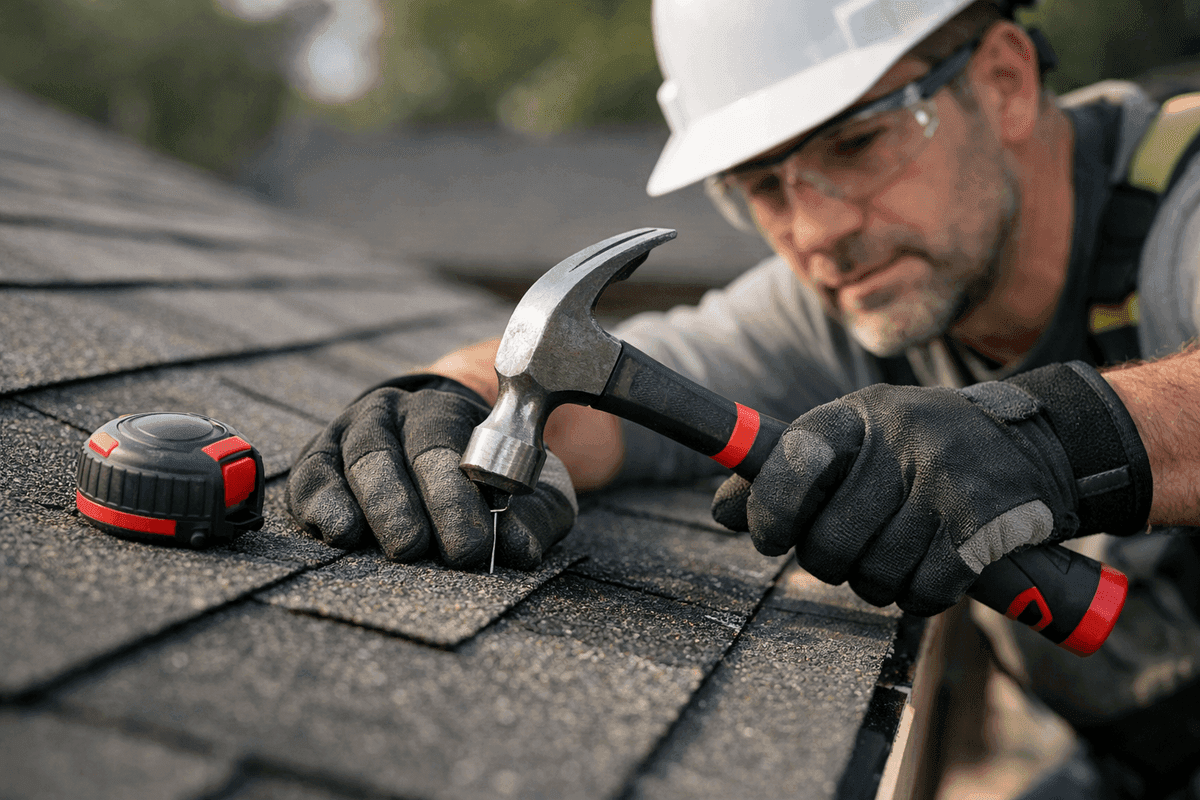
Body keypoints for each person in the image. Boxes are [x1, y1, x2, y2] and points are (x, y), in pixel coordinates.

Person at [286, 1, 1200, 796]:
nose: (818, 232)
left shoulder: (1183, 204)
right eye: (763, 185)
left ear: (1001, 81)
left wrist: (1049, 438)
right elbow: (618, 381)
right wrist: (448, 396)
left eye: (860, 141)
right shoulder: (856, 297)